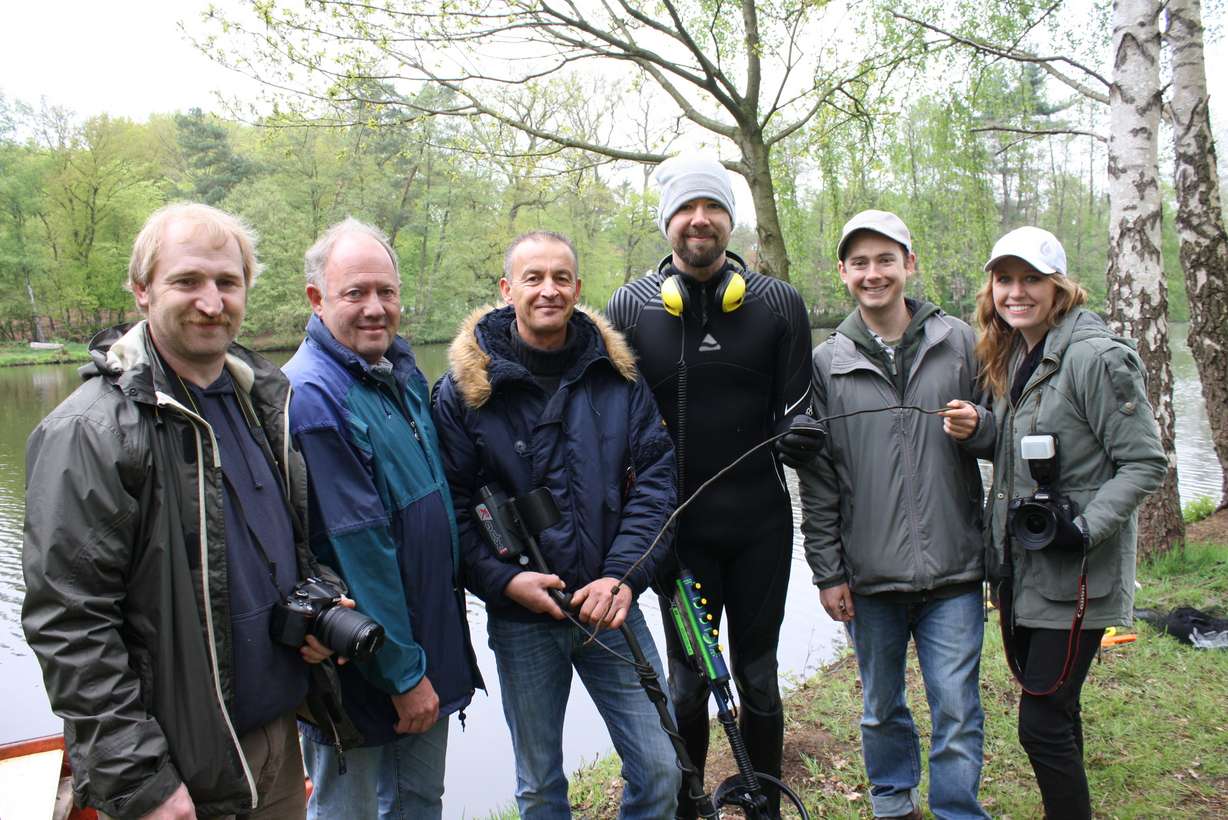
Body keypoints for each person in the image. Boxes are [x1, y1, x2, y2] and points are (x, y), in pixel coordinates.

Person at [22, 202, 351, 819]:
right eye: (187, 281)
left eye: (227, 282)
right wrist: (140, 780)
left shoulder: (261, 400)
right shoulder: (90, 432)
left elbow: (281, 548)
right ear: (142, 291)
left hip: (277, 740)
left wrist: (320, 600)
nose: (211, 300)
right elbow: (70, 625)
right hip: (180, 771)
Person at [432, 230, 679, 818]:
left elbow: (656, 484)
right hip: (523, 619)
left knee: (661, 767)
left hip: (610, 608)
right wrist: (502, 581)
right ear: (506, 289)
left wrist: (622, 576)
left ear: (577, 286)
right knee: (540, 786)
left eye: (561, 278)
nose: (549, 290)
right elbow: (453, 512)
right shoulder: (462, 394)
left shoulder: (619, 378)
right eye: (533, 278)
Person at [605, 154, 816, 817]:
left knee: (758, 676)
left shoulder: (778, 304)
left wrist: (803, 434)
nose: (700, 220)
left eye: (713, 208)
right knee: (688, 684)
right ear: (667, 222)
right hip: (680, 534)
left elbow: (799, 408)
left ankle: (765, 806)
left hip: (761, 524)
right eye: (686, 210)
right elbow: (616, 428)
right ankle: (690, 805)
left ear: (731, 220)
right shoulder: (631, 307)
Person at [942, 226, 1165, 819]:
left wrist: (1085, 528)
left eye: (1032, 279)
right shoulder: (1015, 350)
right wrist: (982, 431)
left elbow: (1144, 462)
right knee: (1058, 714)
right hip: (1024, 571)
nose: (1016, 291)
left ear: (1059, 286)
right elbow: (1031, 450)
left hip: (1078, 574)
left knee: (1040, 724)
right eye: (1005, 279)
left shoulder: (1095, 356)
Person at [797, 210, 994, 820]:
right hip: (869, 575)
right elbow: (818, 479)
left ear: (910, 264)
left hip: (955, 571)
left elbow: (1006, 436)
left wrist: (980, 427)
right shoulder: (824, 363)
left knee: (958, 705)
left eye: (886, 259)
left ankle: (958, 809)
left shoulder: (960, 340)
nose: (873, 273)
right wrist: (828, 572)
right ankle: (892, 801)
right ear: (843, 274)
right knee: (881, 706)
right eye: (860, 263)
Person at [283, 218, 480, 819]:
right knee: (350, 809)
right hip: (363, 667)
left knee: (420, 801)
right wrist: (402, 674)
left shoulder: (396, 372)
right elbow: (359, 549)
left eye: (386, 292)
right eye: (355, 293)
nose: (375, 308)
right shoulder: (316, 396)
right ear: (317, 299)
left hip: (426, 644)